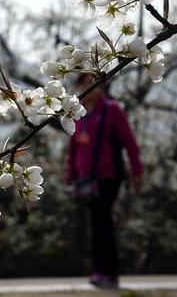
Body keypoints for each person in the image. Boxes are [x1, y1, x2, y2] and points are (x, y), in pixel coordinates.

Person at [67, 73, 144, 289]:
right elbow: (73, 149)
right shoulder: (77, 114)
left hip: (108, 175)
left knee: (102, 221)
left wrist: (136, 171)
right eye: (83, 83)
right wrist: (71, 176)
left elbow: (129, 142)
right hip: (85, 179)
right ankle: (102, 270)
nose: (88, 88)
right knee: (96, 222)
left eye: (93, 83)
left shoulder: (112, 110)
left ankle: (108, 272)